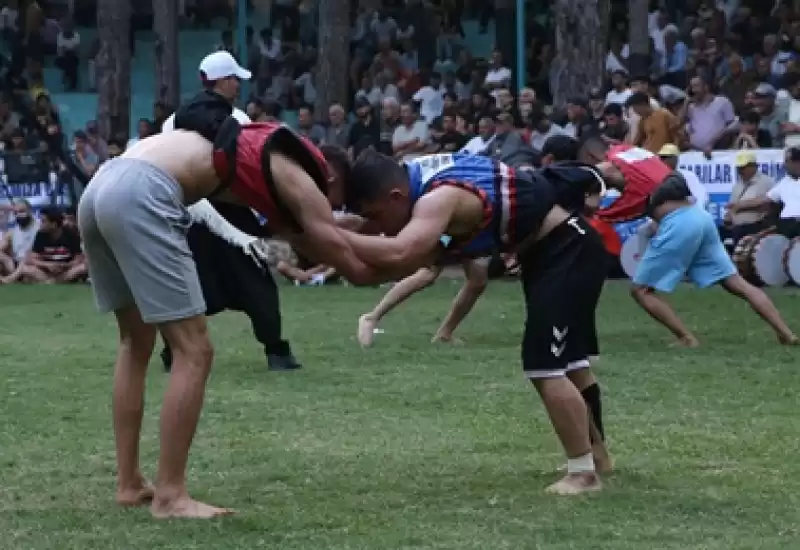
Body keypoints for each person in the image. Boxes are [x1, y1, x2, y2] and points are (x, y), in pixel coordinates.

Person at [77, 87, 392, 519]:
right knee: (195, 350)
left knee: (135, 343)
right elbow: (343, 254)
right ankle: (170, 496)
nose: (329, 205)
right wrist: (412, 255)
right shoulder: (294, 167)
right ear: (331, 177)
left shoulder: (241, 153)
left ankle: (130, 483)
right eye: (335, 200)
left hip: (102, 185)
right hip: (142, 192)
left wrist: (356, 237)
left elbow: (308, 235)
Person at [342, 150, 611, 495]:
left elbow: (400, 254)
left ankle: (583, 474)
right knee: (572, 364)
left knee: (544, 365)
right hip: (559, 248)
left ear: (395, 196)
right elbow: (402, 262)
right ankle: (598, 458)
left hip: (566, 249)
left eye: (376, 217)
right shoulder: (420, 180)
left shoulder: (438, 198)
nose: (377, 228)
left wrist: (333, 238)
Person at [158, 51, 301, 373]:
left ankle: (173, 351)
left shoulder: (173, 119)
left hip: (190, 212)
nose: (238, 85)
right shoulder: (236, 120)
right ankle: (276, 351)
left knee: (187, 287)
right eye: (234, 79)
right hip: (225, 211)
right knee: (256, 283)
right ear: (221, 81)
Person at [586, 141, 797, 347]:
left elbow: (603, 210)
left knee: (640, 290)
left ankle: (686, 338)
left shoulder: (633, 188)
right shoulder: (635, 157)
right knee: (738, 283)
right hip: (699, 217)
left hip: (679, 223)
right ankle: (786, 333)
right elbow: (617, 152)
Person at [356, 235, 492, 347]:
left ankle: (444, 334)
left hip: (469, 226)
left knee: (477, 280)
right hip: (450, 225)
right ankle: (371, 317)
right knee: (428, 273)